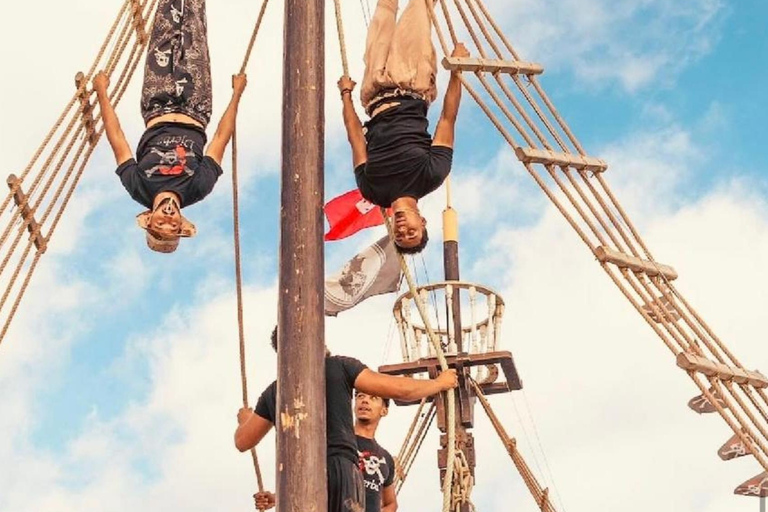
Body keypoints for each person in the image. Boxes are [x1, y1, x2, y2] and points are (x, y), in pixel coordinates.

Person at [236, 328, 457, 512]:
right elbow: (400, 390)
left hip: (294, 480)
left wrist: (246, 420)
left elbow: (243, 441)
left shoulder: (274, 391)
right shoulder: (339, 366)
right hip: (338, 469)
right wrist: (439, 383)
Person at [93, 0, 246, 253]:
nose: (168, 218)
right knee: (193, 24)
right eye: (172, 225)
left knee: (165, 26)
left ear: (148, 218)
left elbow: (117, 139)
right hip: (195, 106)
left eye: (160, 223)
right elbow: (220, 139)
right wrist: (236, 94)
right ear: (180, 222)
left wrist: (102, 93)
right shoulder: (198, 187)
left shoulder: (138, 186)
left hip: (157, 103)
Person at [339, 0, 468, 254]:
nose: (403, 230)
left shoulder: (372, 190)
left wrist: (345, 95)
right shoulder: (431, 175)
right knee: (420, 6)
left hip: (372, 92)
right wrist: (457, 71)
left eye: (399, 237)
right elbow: (447, 119)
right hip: (411, 81)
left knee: (384, 8)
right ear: (422, 221)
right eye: (412, 232)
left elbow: (355, 139)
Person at [355, 392, 397, 512]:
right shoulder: (339, 442)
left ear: (384, 410)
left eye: (373, 398)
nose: (365, 401)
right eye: (360, 396)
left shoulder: (386, 458)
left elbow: (391, 503)